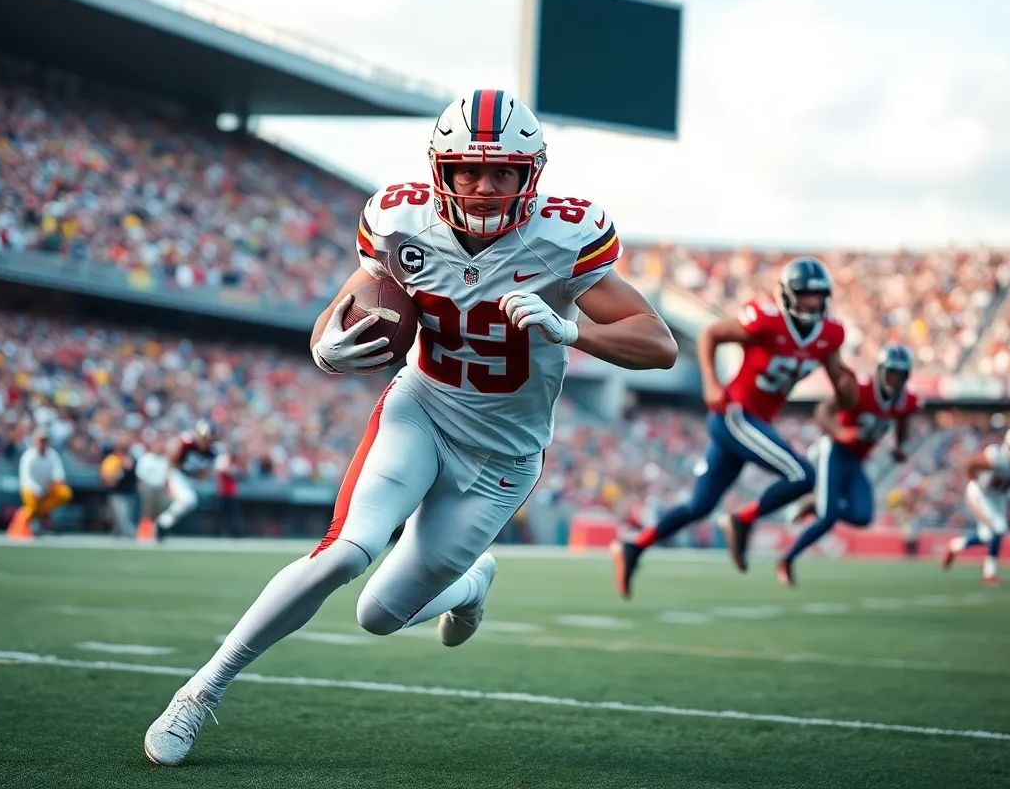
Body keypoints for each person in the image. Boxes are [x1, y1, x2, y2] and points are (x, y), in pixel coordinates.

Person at [143, 89, 677, 766]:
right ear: (441, 171)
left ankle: (472, 581)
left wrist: (572, 330)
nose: (484, 187)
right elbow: (347, 303)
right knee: (343, 551)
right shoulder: (400, 222)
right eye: (469, 171)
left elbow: (658, 344)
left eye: (503, 172)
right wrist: (322, 347)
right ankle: (199, 693)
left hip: (502, 460)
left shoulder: (564, 237)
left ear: (529, 176)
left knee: (379, 616)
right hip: (421, 410)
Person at [611, 258, 856, 597]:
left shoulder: (830, 334)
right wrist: (712, 383)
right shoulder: (766, 319)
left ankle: (633, 546)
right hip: (735, 414)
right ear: (787, 295)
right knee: (802, 476)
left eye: (818, 295)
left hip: (752, 423)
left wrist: (847, 388)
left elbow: (840, 383)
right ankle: (741, 520)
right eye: (804, 295)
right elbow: (711, 334)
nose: (812, 302)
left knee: (699, 506)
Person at [773, 344, 921, 586]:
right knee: (829, 516)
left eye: (901, 374)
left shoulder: (908, 400)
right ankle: (787, 559)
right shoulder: (860, 389)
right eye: (892, 373)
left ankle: (814, 505)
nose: (895, 380)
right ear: (881, 371)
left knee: (863, 516)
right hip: (835, 450)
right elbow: (823, 412)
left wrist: (899, 447)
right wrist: (840, 431)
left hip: (856, 460)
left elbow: (902, 422)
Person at [942, 425, 1010, 585]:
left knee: (988, 536)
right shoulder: (996, 456)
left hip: (997, 496)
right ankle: (989, 573)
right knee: (999, 528)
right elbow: (971, 464)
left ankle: (955, 545)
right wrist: (976, 482)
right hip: (980, 493)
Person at [8, 427, 72, 539]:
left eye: (45, 440)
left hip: (47, 489)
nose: (43, 443)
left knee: (65, 493)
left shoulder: (53, 455)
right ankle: (27, 522)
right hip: (30, 490)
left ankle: (40, 515)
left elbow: (59, 475)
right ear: (35, 441)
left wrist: (50, 486)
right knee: (31, 507)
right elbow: (26, 479)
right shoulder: (28, 456)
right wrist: (37, 490)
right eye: (40, 440)